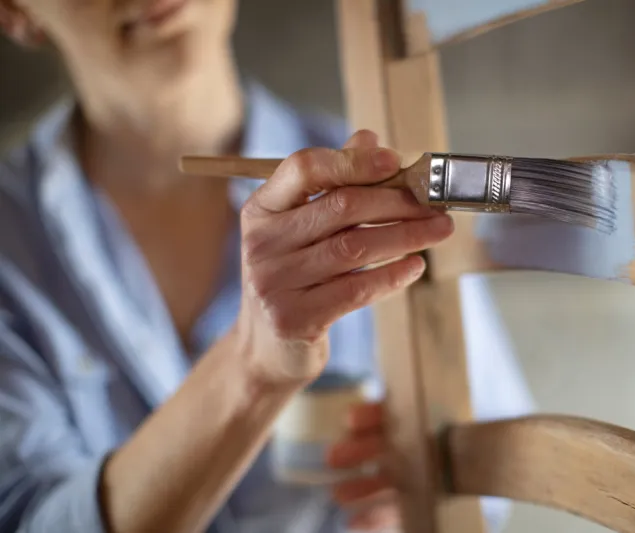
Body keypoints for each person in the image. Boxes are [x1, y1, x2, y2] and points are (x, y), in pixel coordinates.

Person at [0, 1, 536, 532]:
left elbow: (490, 470)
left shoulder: (395, 184)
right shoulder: (11, 241)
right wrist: (251, 368)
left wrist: (417, 506)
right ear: (15, 13)